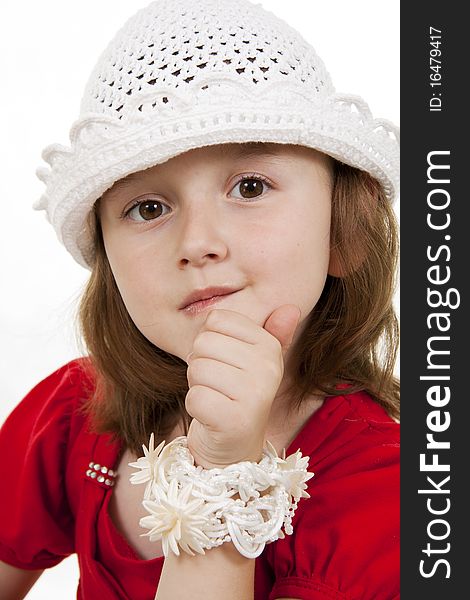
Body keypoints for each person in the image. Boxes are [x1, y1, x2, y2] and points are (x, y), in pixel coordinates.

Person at [0, 0, 400, 598]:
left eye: (250, 186)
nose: (198, 243)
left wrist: (223, 469)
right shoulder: (74, 411)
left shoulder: (387, 495)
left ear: (345, 235)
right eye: (149, 208)